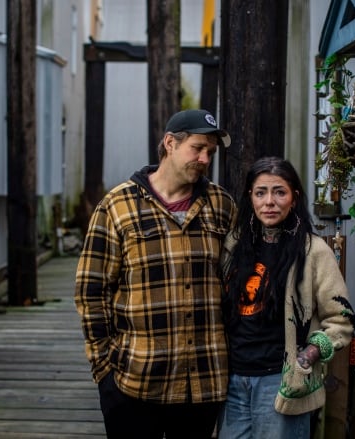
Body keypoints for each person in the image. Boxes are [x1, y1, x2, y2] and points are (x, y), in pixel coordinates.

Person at [74, 109, 237, 439]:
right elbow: (91, 290)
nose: (205, 158)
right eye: (198, 148)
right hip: (135, 379)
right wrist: (104, 369)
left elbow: (237, 282)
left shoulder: (222, 204)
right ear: (170, 144)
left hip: (203, 381)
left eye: (211, 152)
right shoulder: (118, 205)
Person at [218, 156, 355, 439]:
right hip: (231, 381)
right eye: (261, 192)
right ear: (251, 198)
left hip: (281, 381)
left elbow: (341, 321)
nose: (269, 201)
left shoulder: (313, 251)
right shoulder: (233, 245)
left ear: (294, 198)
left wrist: (307, 357)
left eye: (279, 192)